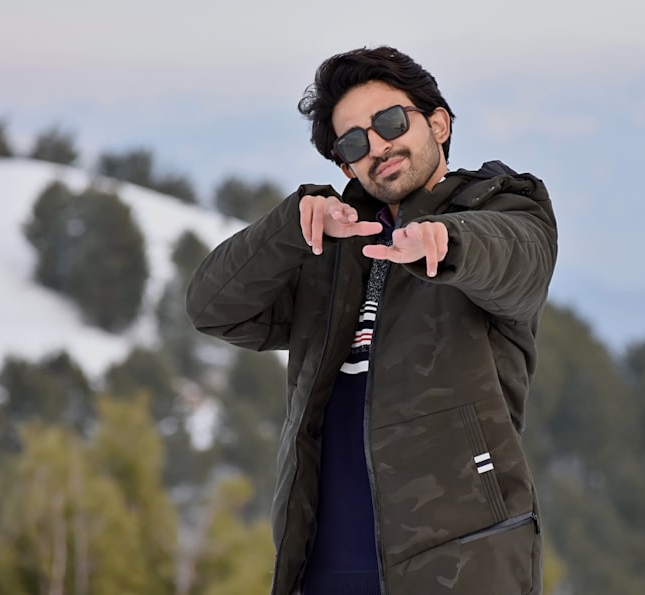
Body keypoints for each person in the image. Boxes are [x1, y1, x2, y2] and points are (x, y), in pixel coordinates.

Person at [187, 46, 558, 595]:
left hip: (456, 565)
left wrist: (448, 241)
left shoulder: (504, 209)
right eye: (355, 142)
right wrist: (289, 225)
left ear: (438, 121)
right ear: (345, 165)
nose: (378, 146)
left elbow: (516, 257)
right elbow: (212, 307)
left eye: (389, 122)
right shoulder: (331, 248)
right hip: (322, 565)